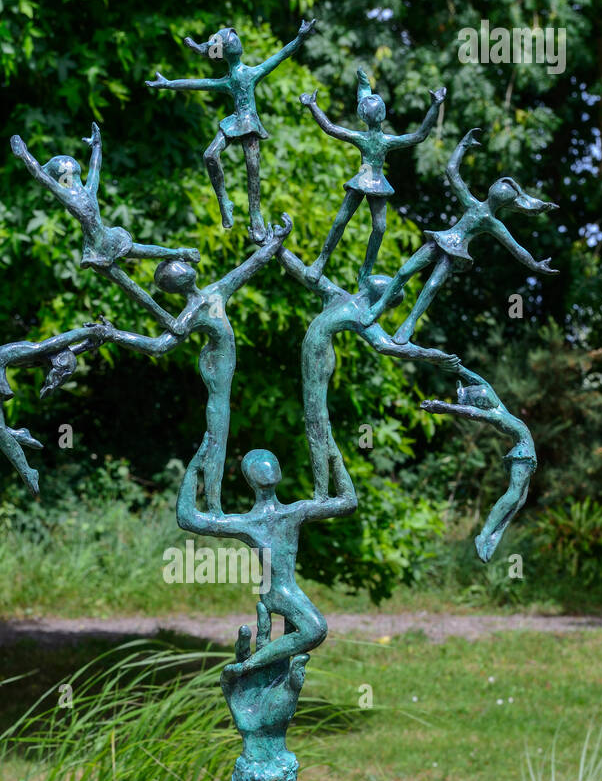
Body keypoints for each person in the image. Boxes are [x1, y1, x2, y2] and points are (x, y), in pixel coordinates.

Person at [96, 217, 291, 511]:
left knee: (216, 440)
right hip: (217, 381)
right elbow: (159, 347)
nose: (184, 267)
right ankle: (213, 506)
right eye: (179, 268)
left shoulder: (210, 296)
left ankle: (214, 505)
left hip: (219, 376)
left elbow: (252, 264)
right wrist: (114, 334)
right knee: (216, 441)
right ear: (181, 280)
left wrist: (276, 241)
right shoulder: (200, 306)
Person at [279, 244, 460, 497]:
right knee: (318, 424)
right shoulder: (339, 295)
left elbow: (388, 347)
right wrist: (277, 247)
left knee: (316, 422)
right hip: (313, 357)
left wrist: (432, 356)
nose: (386, 279)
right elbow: (304, 272)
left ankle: (322, 493)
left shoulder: (364, 316)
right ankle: (336, 488)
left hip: (318, 360)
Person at [176, 442, 355, 677]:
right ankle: (247, 667)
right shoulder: (248, 524)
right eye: (260, 466)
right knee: (316, 629)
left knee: (311, 631)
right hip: (277, 591)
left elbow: (348, 502)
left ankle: (256, 667)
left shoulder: (294, 512)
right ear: (250, 478)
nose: (267, 468)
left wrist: (333, 455)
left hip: (289, 589)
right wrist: (196, 464)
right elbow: (187, 518)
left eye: (271, 464)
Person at [362, 129, 558, 340]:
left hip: (454, 252)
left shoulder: (492, 223)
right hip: (442, 240)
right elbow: (451, 170)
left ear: (508, 203)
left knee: (432, 286)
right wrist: (463, 144)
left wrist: (536, 265)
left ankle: (409, 325)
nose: (501, 189)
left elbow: (516, 248)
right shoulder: (471, 202)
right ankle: (378, 307)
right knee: (404, 272)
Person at [11, 125, 198, 329]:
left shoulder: (85, 190)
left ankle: (180, 256)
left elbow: (92, 167)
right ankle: (167, 317)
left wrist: (96, 145)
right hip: (98, 248)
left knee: (140, 267)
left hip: (106, 241)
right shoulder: (74, 193)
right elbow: (43, 175)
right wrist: (24, 155)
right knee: (133, 282)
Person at [147, 22, 315, 239]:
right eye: (232, 42)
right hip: (235, 122)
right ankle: (224, 201)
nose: (237, 43)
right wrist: (168, 84)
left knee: (253, 171)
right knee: (209, 154)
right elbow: (197, 83)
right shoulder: (228, 80)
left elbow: (281, 55)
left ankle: (256, 217)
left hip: (250, 125)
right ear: (227, 52)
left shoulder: (251, 73)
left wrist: (300, 38)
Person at [300, 69, 446, 281]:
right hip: (363, 178)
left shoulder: (385, 141)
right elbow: (331, 128)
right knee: (341, 220)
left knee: (379, 227)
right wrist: (313, 106)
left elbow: (419, 136)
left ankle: (365, 271)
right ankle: (321, 261)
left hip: (376, 182)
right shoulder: (363, 137)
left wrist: (435, 106)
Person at [0, 323, 110, 495]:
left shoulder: (40, 358)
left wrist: (86, 345)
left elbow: (63, 353)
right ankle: (25, 460)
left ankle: (25, 465)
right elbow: (59, 343)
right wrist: (91, 331)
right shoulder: (37, 349)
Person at [421, 365, 537, 562]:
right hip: (522, 454)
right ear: (481, 402)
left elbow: (482, 382)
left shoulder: (499, 407)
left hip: (526, 454)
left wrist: (460, 369)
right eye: (484, 397)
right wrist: (444, 407)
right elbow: (469, 412)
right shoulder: (493, 414)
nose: (488, 395)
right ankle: (483, 535)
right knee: (514, 494)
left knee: (520, 500)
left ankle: (494, 535)